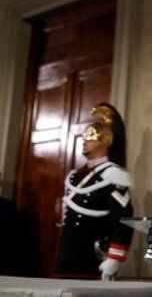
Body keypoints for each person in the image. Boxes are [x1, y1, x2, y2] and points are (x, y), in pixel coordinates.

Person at [55, 103, 134, 280]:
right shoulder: (76, 176)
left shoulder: (113, 175)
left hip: (92, 255)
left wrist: (115, 258)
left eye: (91, 138)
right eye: (84, 138)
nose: (84, 141)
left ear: (105, 141)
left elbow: (122, 220)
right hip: (68, 252)